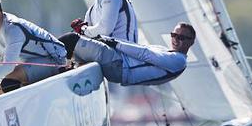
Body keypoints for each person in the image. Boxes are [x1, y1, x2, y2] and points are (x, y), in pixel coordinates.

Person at [0, 0, 67, 98]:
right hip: (32, 62)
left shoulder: (13, 29)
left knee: (8, 83)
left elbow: (8, 66)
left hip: (54, 61)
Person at [59, 22, 195, 86]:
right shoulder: (165, 50)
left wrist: (115, 43)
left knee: (70, 39)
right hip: (117, 63)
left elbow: (145, 54)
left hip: (119, 66)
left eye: (181, 38)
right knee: (75, 48)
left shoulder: (179, 61)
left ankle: (47, 62)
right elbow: (138, 47)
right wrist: (105, 39)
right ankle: (59, 68)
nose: (176, 39)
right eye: (174, 35)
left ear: (191, 42)